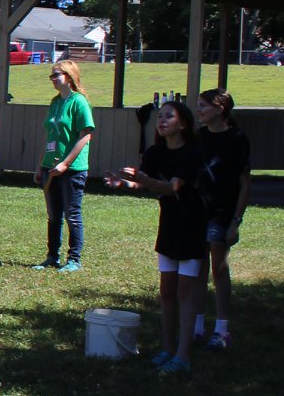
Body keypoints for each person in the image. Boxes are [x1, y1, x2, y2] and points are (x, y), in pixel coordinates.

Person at [106, 100, 206, 374]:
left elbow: (172, 187)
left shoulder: (192, 153)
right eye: (159, 116)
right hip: (169, 223)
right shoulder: (155, 152)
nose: (162, 121)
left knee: (185, 293)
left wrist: (142, 178)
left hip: (192, 224)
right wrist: (125, 182)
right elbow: (143, 182)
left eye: (169, 116)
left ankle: (183, 356)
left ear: (183, 123)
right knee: (166, 291)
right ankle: (167, 349)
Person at [192, 88, 252, 351]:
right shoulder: (199, 136)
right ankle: (196, 327)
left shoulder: (237, 138)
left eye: (203, 105)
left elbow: (244, 183)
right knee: (198, 270)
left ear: (220, 108)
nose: (199, 110)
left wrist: (235, 221)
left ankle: (222, 330)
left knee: (219, 269)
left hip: (222, 213)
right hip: (197, 211)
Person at [35, 58, 96, 272]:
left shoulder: (78, 102)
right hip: (49, 167)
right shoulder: (55, 102)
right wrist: (40, 165)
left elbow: (85, 135)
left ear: (69, 77)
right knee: (54, 215)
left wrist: (65, 164)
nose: (53, 79)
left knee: (72, 214)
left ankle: (74, 259)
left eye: (57, 75)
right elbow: (49, 135)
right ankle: (52, 256)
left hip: (72, 169)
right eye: (51, 75)